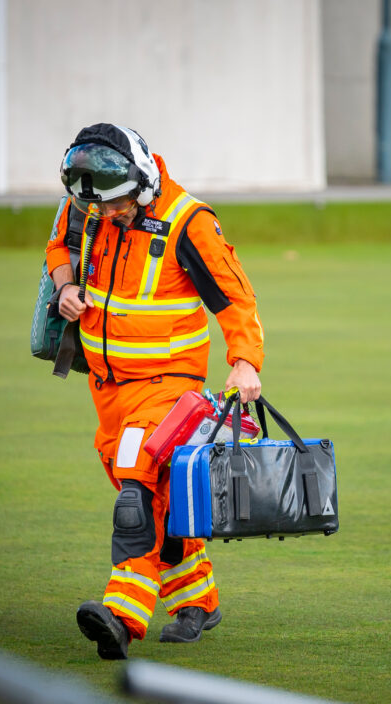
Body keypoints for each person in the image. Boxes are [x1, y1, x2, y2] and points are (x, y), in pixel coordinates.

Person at [45, 123, 264, 658]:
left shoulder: (190, 221)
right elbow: (58, 249)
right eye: (99, 208)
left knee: (135, 496)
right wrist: (67, 286)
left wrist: (244, 362)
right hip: (109, 389)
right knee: (156, 502)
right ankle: (197, 601)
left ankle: (121, 617)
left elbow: (236, 299)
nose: (107, 216)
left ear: (139, 180)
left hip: (170, 387)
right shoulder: (90, 200)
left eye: (117, 206)